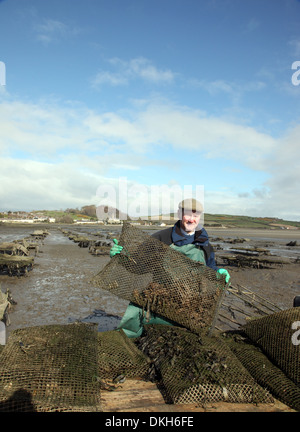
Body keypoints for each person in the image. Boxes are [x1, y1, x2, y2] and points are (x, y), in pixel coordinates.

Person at [110, 198, 230, 337]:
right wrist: (120, 257)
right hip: (157, 299)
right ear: (179, 215)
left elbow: (209, 270)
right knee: (133, 330)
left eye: (196, 216)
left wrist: (218, 272)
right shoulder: (161, 238)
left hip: (188, 306)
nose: (192, 219)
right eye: (188, 215)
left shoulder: (204, 244)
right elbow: (138, 265)